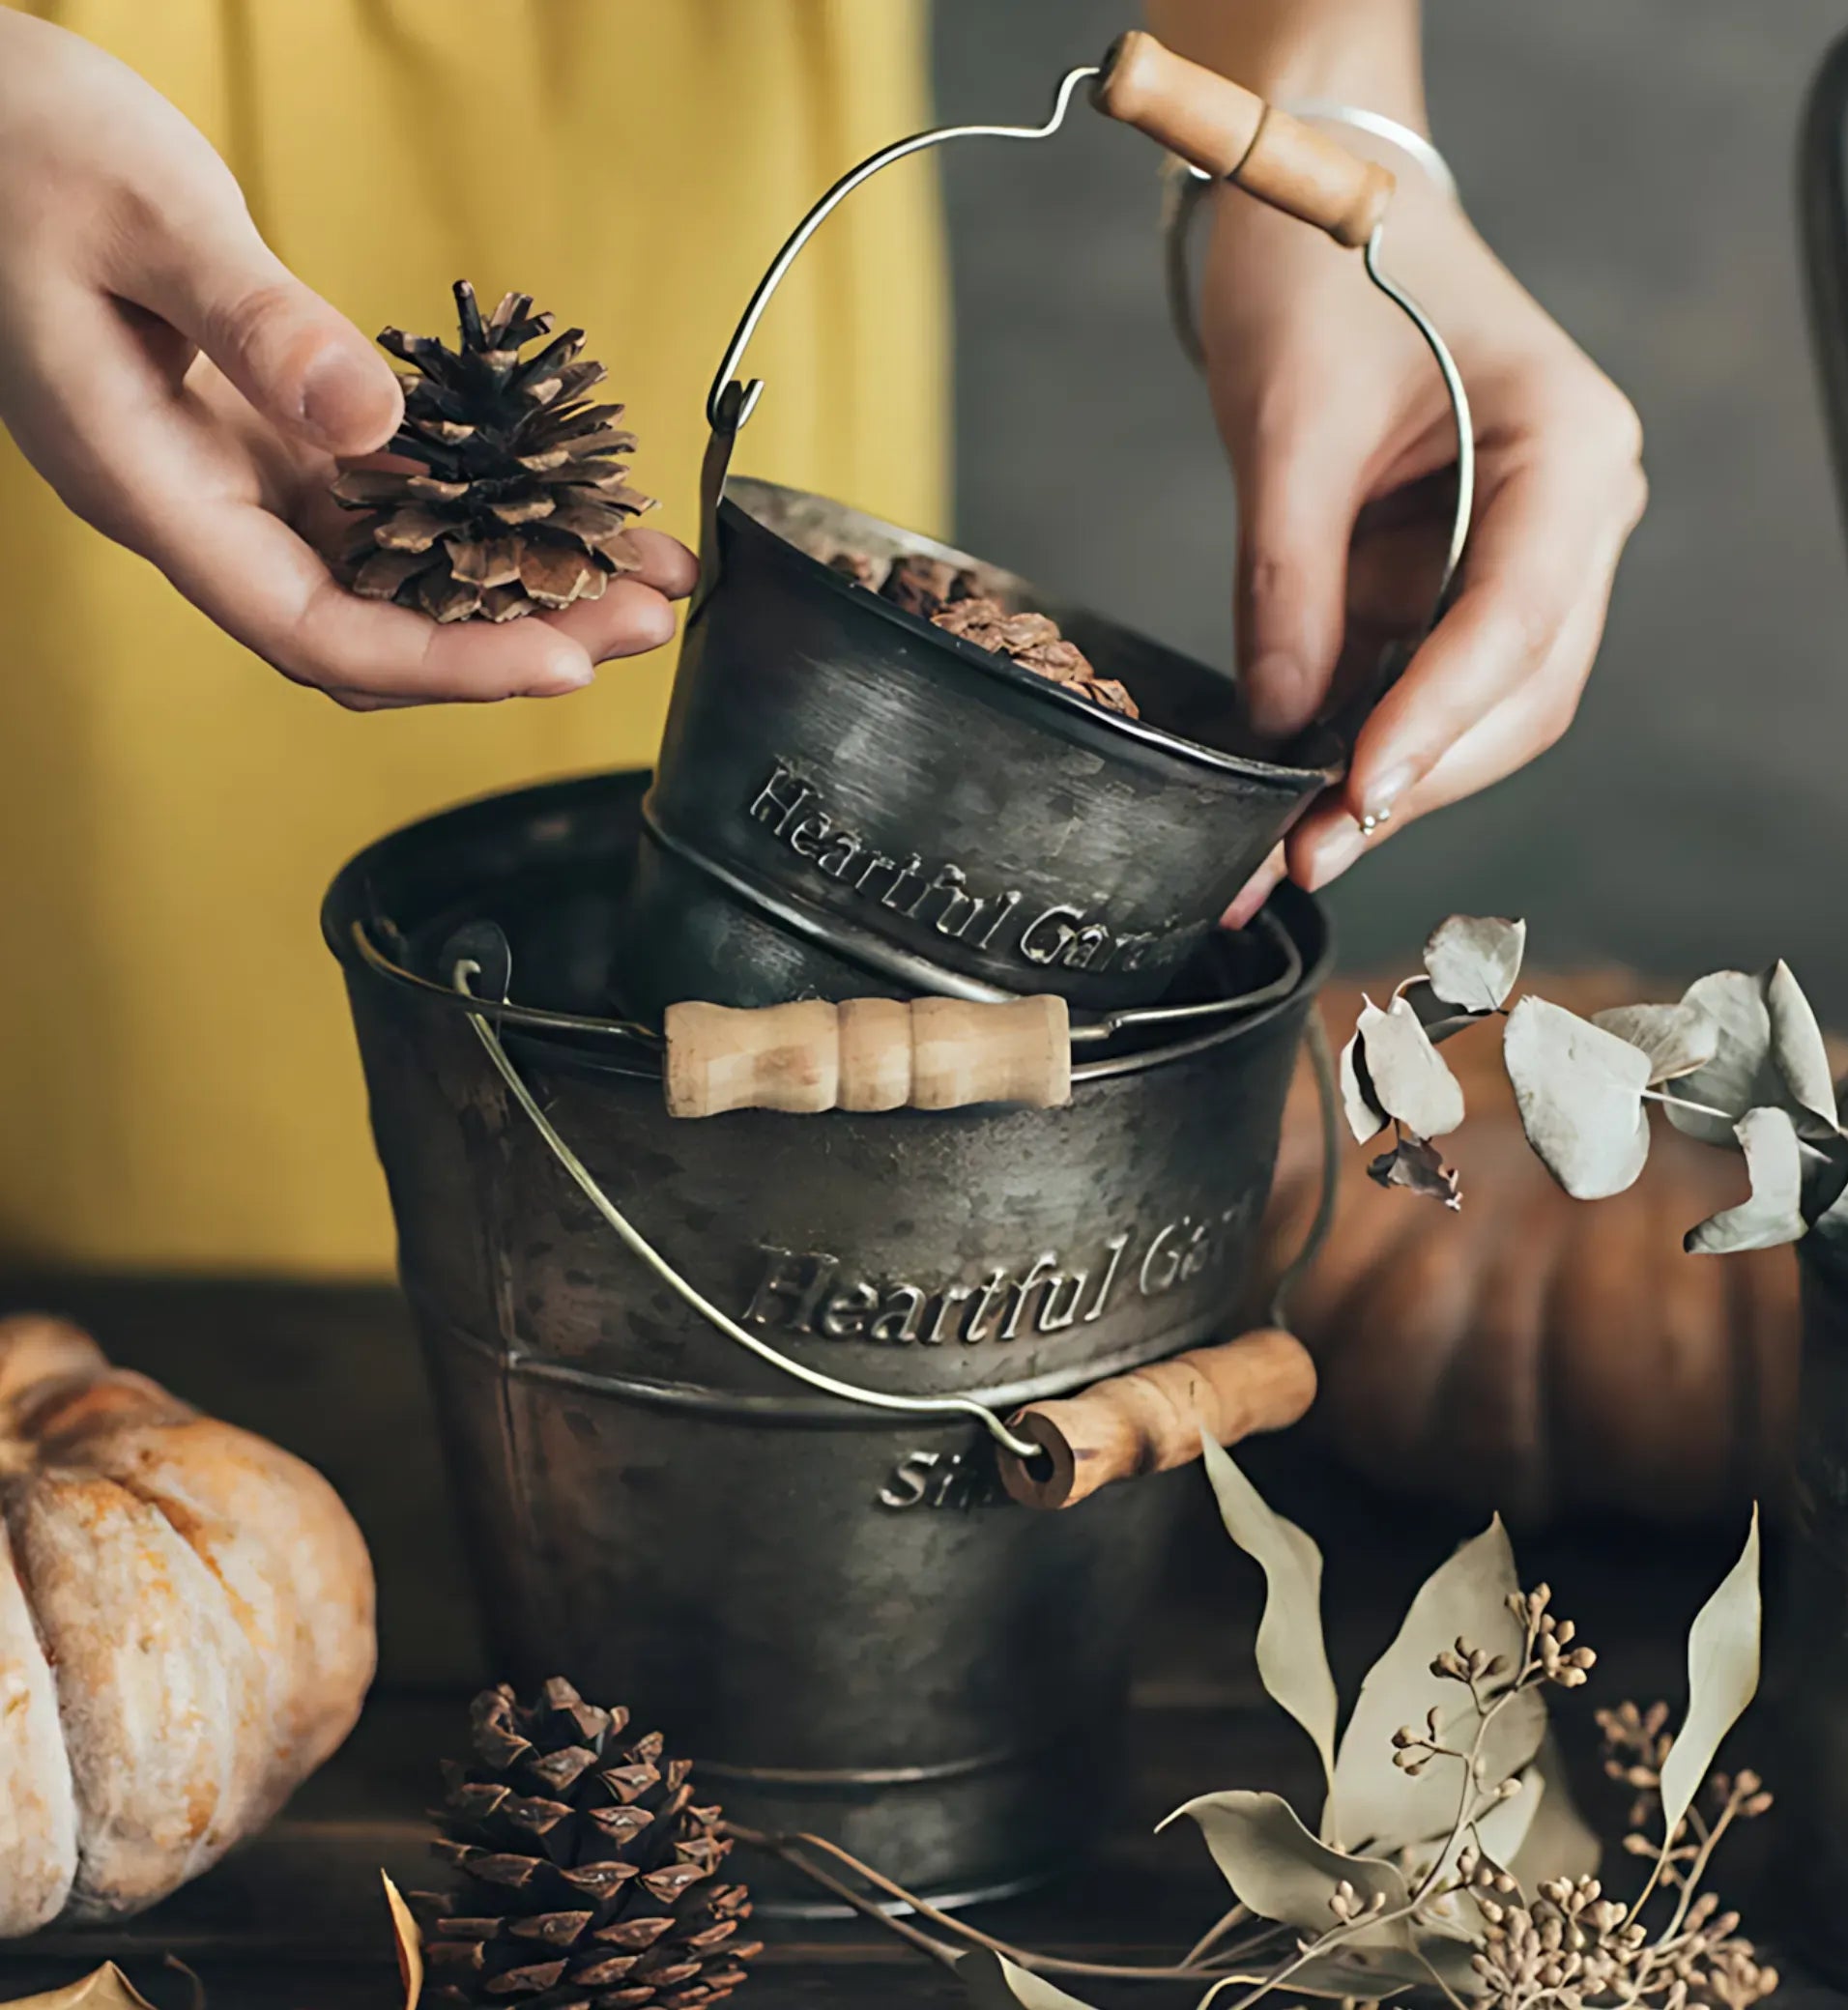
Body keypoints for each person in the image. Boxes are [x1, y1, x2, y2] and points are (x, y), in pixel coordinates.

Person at [0, 1, 1643, 1278]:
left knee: (833, 1223)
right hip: (63, 162)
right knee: (154, 1170)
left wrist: (1329, 128)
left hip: (679, 169)